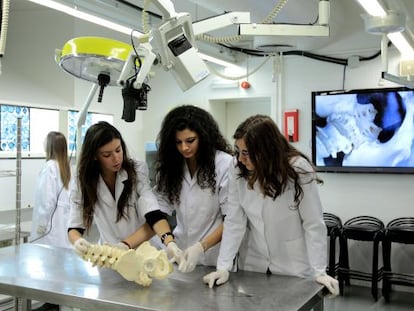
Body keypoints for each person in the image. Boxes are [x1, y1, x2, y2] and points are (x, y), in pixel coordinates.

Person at [203, 115, 339, 297]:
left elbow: (313, 223)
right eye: (238, 151)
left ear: (266, 150)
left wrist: (319, 271)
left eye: (246, 152)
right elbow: (235, 221)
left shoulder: (297, 169)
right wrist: (223, 267)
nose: (240, 159)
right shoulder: (237, 168)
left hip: (292, 263)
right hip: (253, 260)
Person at [67, 121, 181, 261]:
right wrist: (77, 242)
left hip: (143, 252)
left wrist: (169, 241)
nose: (116, 158)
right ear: (95, 156)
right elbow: (75, 226)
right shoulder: (82, 180)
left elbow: (152, 213)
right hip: (109, 255)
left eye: (118, 149)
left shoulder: (136, 170)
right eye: (107, 155)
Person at [154, 105, 234, 272]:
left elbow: (233, 219)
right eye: (178, 142)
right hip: (180, 254)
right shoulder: (171, 168)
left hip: (215, 257)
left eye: (190, 141)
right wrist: (169, 242)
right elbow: (159, 213)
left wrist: (200, 247)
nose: (184, 147)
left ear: (204, 137)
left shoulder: (224, 164)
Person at [30, 131, 72, 249]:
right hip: (62, 222)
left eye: (45, 141)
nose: (43, 142)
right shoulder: (65, 167)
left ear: (51, 146)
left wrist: (42, 224)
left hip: (50, 224)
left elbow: (47, 200)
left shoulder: (50, 167)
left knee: (47, 256)